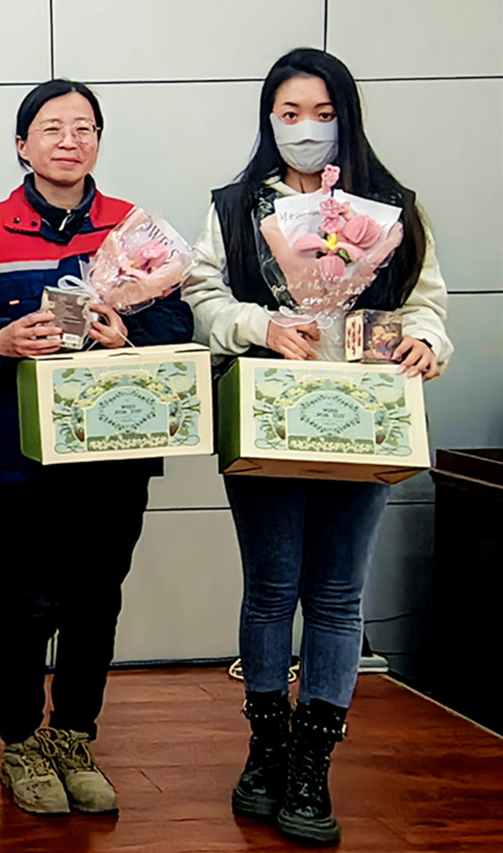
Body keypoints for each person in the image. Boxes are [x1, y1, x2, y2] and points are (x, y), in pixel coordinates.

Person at [185, 48, 451, 846]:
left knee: (337, 595)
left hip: (362, 420)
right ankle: (265, 752)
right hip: (265, 417)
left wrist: (425, 342)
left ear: (347, 118)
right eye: (290, 113)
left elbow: (425, 303)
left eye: (323, 114)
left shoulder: (392, 208)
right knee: (269, 589)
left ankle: (312, 764)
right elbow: (202, 297)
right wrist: (261, 324)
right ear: (268, 119)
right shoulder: (234, 207)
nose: (306, 129)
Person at [0, 79, 193, 818]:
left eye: (84, 128)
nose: (68, 140)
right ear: (22, 145)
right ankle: (22, 743)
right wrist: (0, 339)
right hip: (14, 457)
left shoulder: (133, 229)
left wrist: (127, 333)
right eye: (51, 128)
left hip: (111, 450)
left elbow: (176, 323)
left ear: (98, 143)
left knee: (95, 601)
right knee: (26, 604)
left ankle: (74, 738)